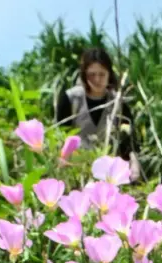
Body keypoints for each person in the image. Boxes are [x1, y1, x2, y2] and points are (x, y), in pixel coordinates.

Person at [55, 48, 140, 180]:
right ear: (84, 75)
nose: (97, 79)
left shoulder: (118, 103)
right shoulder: (70, 99)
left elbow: (129, 142)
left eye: (102, 74)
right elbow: (60, 136)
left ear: (109, 74)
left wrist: (134, 167)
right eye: (92, 75)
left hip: (108, 175)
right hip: (76, 171)